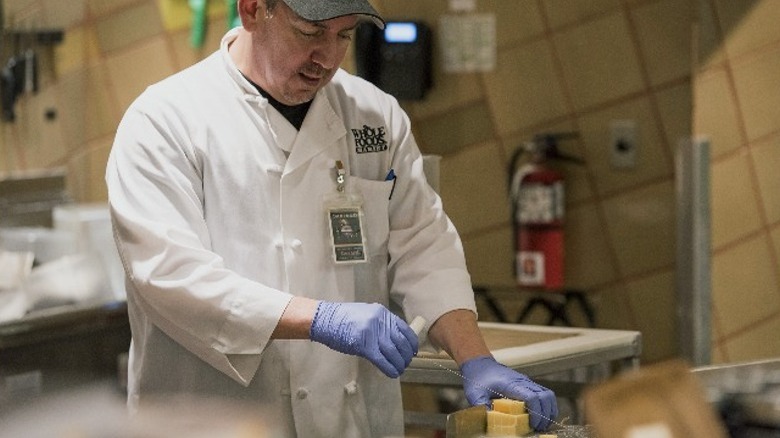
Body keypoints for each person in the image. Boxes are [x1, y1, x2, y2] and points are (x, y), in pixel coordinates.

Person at [105, 0, 558, 436]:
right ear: (252, 9)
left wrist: (475, 359)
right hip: (215, 420)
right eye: (309, 32)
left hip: (350, 421)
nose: (326, 57)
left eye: (344, 35)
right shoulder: (165, 121)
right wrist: (321, 319)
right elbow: (170, 275)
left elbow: (423, 243)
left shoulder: (374, 116)